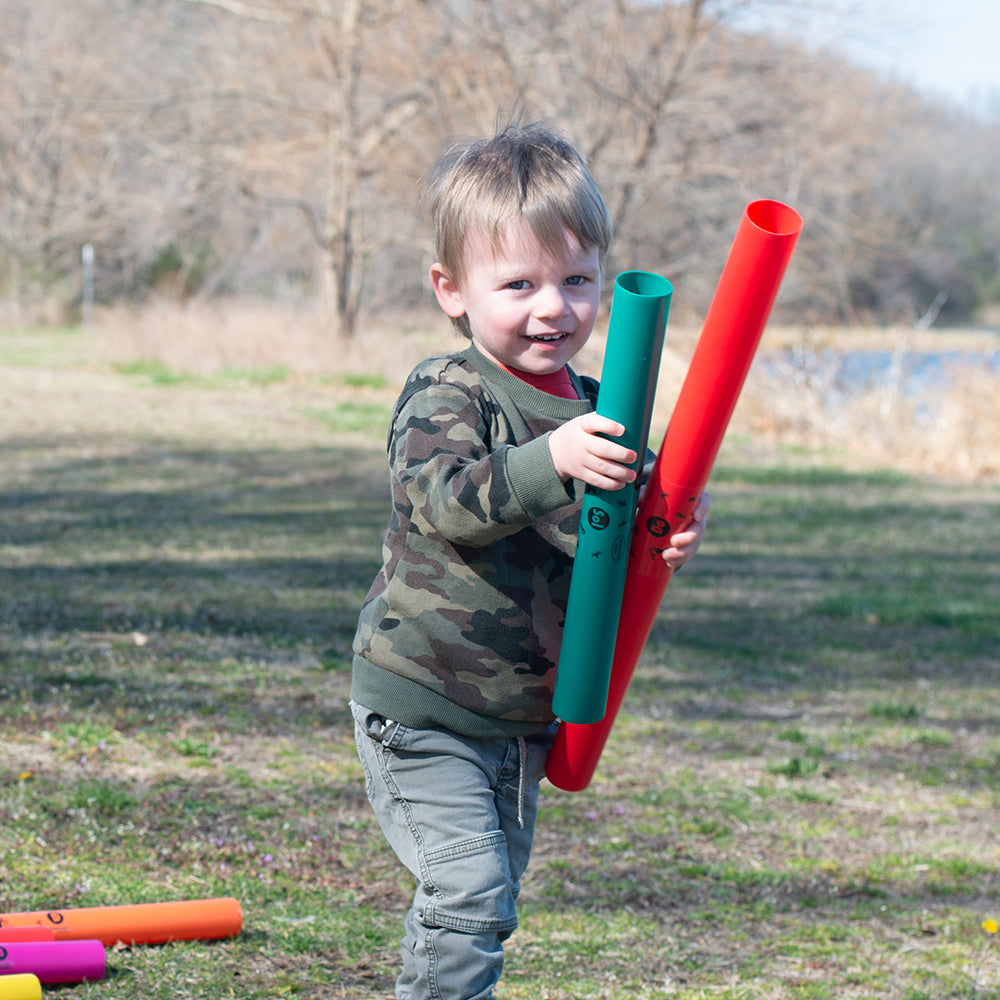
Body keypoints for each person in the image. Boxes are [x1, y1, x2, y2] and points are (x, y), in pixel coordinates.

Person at [350, 118, 709, 1000]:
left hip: (518, 720)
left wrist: (668, 539)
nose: (554, 307)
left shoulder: (602, 404)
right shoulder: (450, 390)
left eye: (576, 280)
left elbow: (622, 539)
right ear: (452, 290)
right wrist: (552, 462)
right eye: (519, 283)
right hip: (424, 702)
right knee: (467, 891)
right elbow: (441, 502)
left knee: (490, 902)